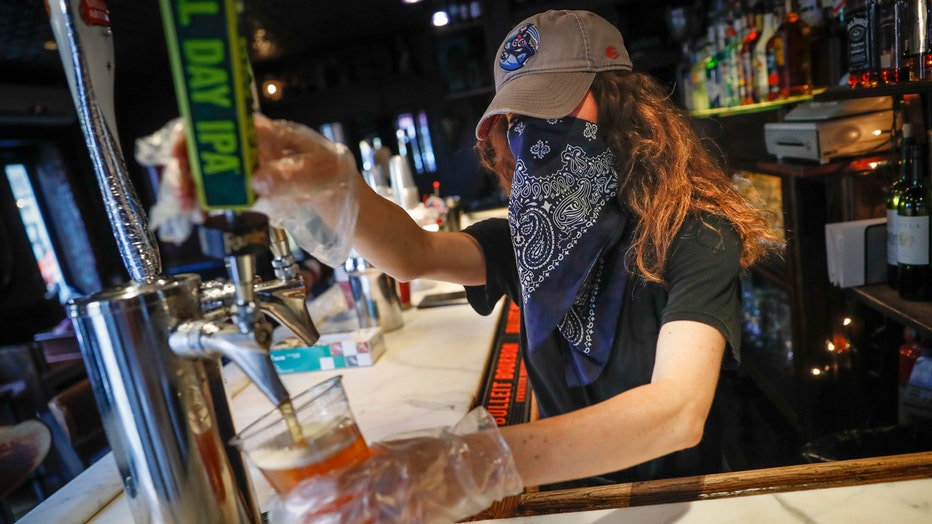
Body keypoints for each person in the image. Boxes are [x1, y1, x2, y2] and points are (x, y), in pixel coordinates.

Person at [174, 9, 781, 523]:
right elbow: (413, 251)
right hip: (568, 504)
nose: (532, 139)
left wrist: (465, 462)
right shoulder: (534, 241)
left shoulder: (694, 232)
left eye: (554, 111)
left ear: (626, 107)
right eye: (519, 123)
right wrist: (329, 184)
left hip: (674, 504)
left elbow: (676, 412)